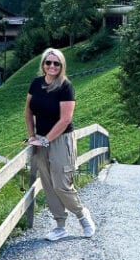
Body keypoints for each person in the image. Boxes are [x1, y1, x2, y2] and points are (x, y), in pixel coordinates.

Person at [24, 47, 96, 240]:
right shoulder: (36, 83)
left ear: (62, 65)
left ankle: (82, 215)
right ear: (43, 65)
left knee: (61, 184)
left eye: (56, 63)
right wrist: (33, 136)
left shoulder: (65, 86)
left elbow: (65, 119)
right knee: (48, 184)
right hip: (40, 140)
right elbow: (28, 112)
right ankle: (60, 226)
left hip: (60, 140)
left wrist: (47, 139)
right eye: (48, 62)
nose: (52, 66)